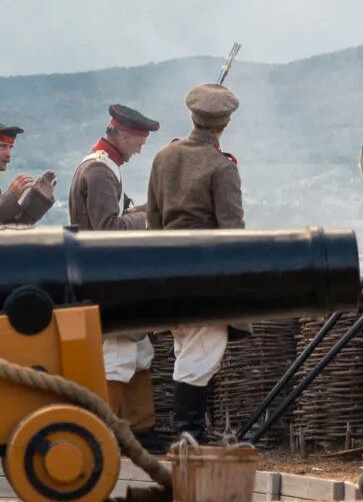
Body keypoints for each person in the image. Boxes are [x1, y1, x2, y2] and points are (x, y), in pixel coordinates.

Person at [146, 83, 245, 442]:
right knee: (200, 358)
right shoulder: (222, 167)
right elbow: (233, 232)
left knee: (186, 350)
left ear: (193, 116)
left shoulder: (163, 157)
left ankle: (192, 433)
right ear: (226, 123)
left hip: (170, 270)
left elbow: (154, 221)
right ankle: (188, 434)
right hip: (208, 276)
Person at [67, 103, 162, 435]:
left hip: (108, 277)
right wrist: (146, 216)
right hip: (108, 280)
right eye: (138, 141)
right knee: (118, 360)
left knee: (138, 354)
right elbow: (108, 228)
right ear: (122, 134)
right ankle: (105, 434)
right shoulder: (100, 171)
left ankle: (140, 430)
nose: (139, 148)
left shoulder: (101, 167)